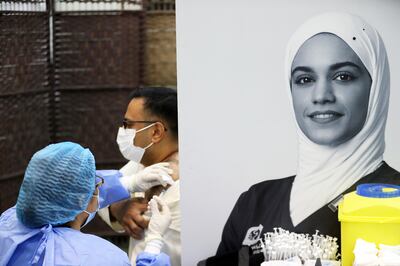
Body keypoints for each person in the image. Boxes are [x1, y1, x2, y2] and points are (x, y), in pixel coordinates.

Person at [216, 12, 400, 262]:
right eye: (305, 79)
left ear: (376, 84)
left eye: (343, 76)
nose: (321, 95)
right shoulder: (255, 201)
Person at [0, 142, 131, 266]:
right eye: (97, 185)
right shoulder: (104, 258)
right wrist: (152, 247)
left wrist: (129, 182)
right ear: (84, 201)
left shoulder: (7, 225)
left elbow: (60, 186)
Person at [97, 87, 180, 265]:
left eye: (128, 124)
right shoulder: (143, 163)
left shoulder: (184, 185)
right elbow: (94, 189)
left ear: (156, 132)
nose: (122, 130)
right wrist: (119, 208)